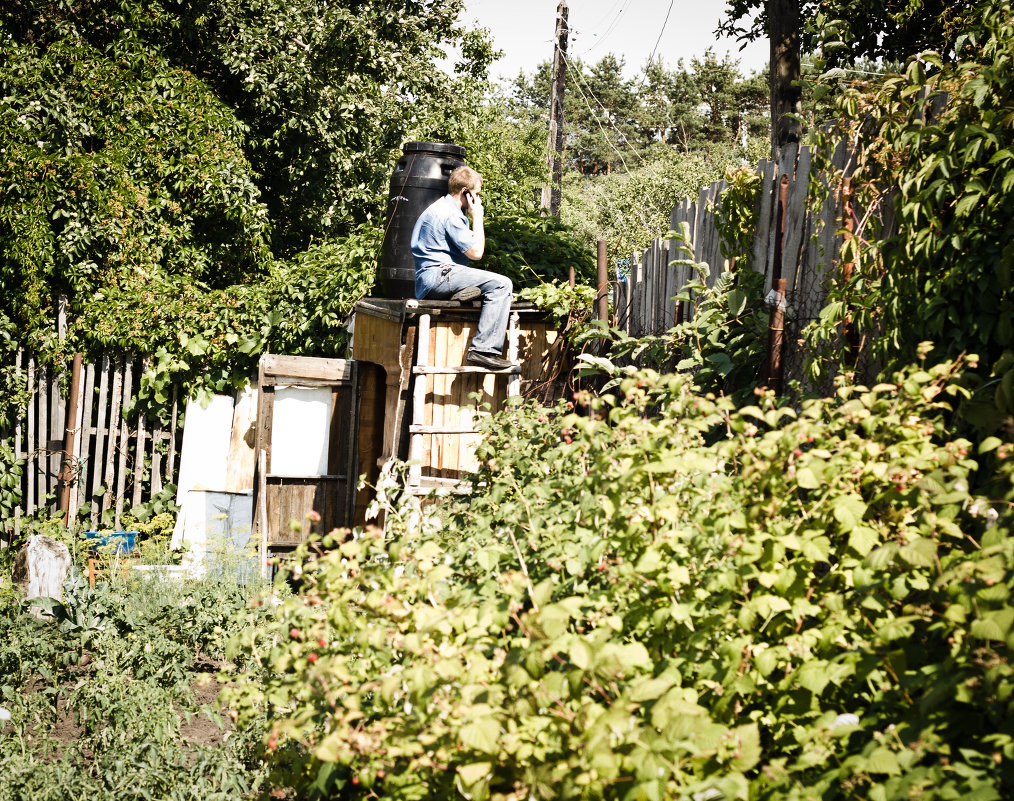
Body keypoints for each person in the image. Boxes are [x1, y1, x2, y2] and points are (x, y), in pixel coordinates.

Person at [410, 165, 515, 370]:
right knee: (502, 284)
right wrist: (478, 217)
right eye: (476, 194)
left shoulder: (438, 207)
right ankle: (483, 350)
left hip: (428, 279)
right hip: (440, 276)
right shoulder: (451, 215)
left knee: (483, 286)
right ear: (465, 192)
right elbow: (476, 253)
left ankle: (462, 292)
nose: (478, 200)